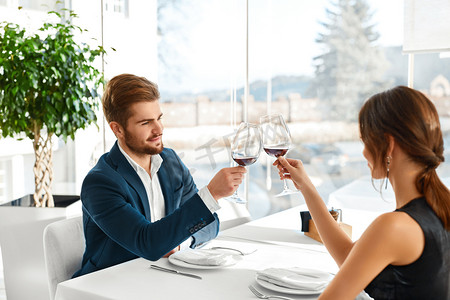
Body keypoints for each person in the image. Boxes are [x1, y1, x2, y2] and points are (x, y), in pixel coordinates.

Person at [275, 86, 450, 299]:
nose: (364, 152)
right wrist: (306, 187)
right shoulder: (439, 208)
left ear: (388, 144)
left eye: (365, 140)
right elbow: (350, 258)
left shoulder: (393, 227)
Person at [73, 74, 246, 277]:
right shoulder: (101, 183)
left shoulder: (170, 161)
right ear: (117, 129)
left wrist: (180, 243)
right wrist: (210, 194)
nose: (159, 129)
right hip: (109, 284)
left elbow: (211, 225)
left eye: (159, 118)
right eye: (146, 122)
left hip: (164, 277)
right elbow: (149, 244)